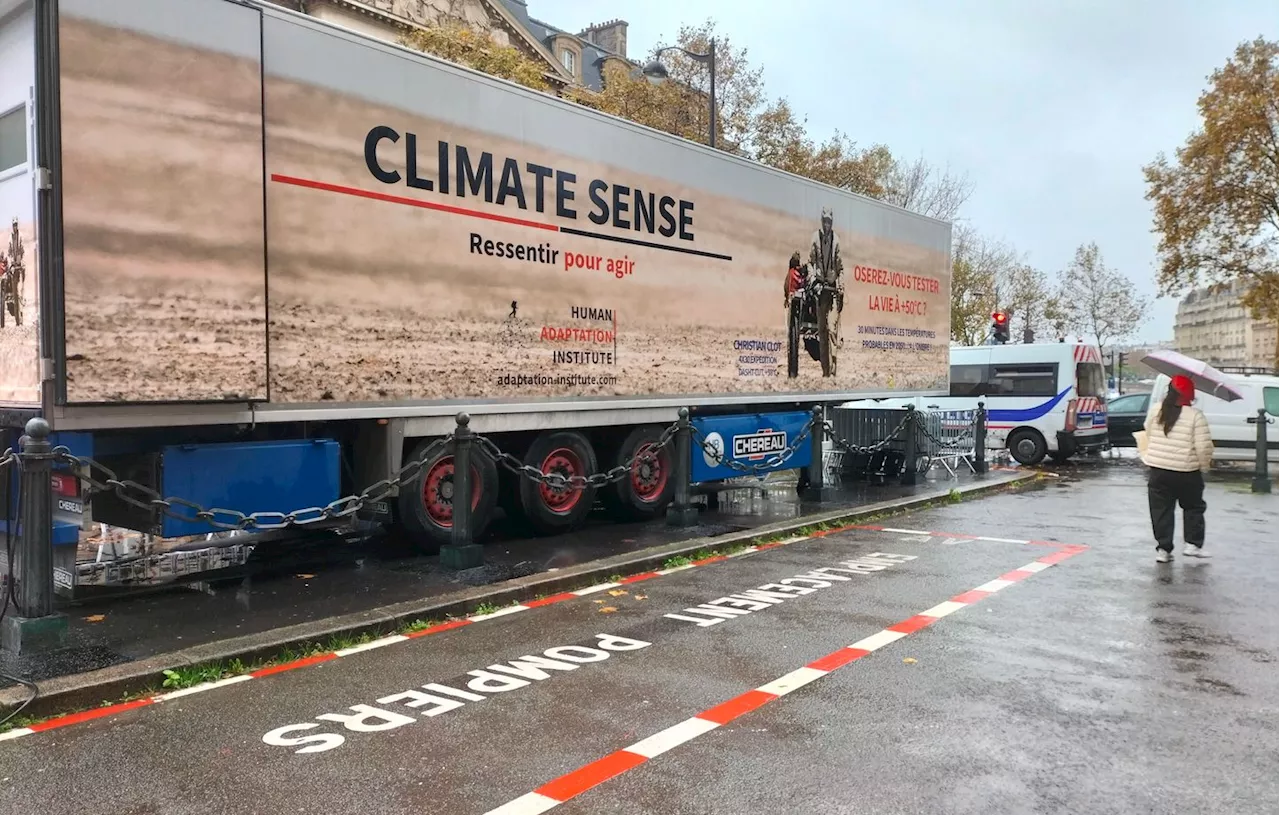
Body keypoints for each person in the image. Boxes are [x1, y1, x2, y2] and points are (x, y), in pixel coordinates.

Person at [1141, 374, 1213, 562]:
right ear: (1190, 395)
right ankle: (1192, 544)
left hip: (1158, 470)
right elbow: (1203, 446)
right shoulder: (1195, 415)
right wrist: (1204, 466)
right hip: (1187, 471)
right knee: (1193, 507)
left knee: (1161, 510)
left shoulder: (1156, 410)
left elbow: (1147, 430)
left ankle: (1163, 550)